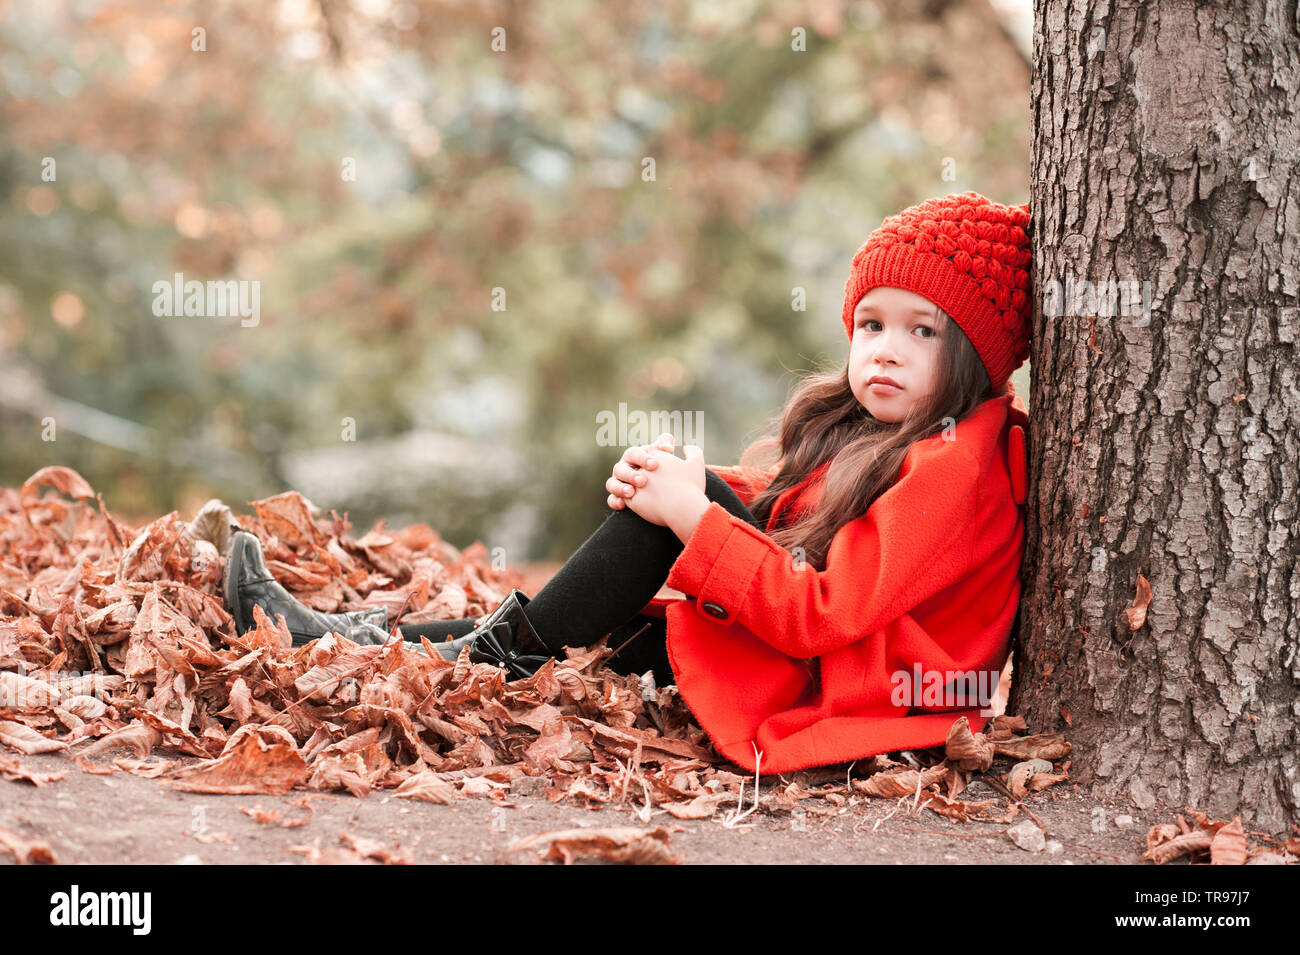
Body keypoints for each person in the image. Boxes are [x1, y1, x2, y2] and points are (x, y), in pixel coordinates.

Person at [223, 190, 1032, 775]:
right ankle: (343, 640)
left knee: (595, 616)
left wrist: (691, 517)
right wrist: (689, 484)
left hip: (851, 687)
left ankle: (453, 657)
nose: (885, 349)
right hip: (813, 654)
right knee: (589, 625)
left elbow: (823, 612)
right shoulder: (884, 430)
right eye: (872, 324)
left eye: (922, 331)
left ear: (975, 357)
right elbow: (779, 504)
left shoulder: (955, 468)